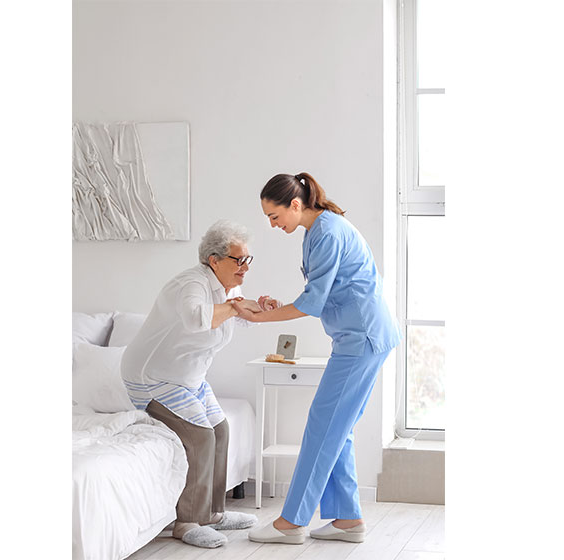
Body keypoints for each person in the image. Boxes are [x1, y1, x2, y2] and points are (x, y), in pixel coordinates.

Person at [238, 172, 401, 545]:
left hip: (362, 337)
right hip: (357, 337)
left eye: (275, 217)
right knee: (335, 428)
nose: (272, 224)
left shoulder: (326, 231)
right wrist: (276, 308)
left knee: (322, 426)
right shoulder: (318, 231)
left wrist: (260, 317)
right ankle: (347, 519)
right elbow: (319, 294)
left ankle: (291, 522)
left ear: (295, 205)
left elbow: (311, 304)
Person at [120, 220, 278, 549]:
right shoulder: (190, 284)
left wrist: (257, 309)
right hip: (152, 378)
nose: (245, 268)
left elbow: (234, 317)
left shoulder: (226, 290)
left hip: (188, 377)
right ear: (214, 259)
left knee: (220, 428)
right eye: (239, 260)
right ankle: (187, 521)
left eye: (248, 259)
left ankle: (213, 514)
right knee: (201, 437)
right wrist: (236, 306)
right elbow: (196, 317)